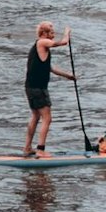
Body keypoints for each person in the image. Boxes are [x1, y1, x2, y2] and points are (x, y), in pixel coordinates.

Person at [22, 19, 72, 156]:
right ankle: (40, 150)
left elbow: (49, 68)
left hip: (31, 87)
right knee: (47, 118)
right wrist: (67, 33)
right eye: (51, 31)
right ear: (43, 33)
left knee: (36, 116)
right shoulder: (42, 42)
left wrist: (68, 76)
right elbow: (62, 43)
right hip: (37, 88)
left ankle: (27, 148)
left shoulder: (42, 48)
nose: (53, 34)